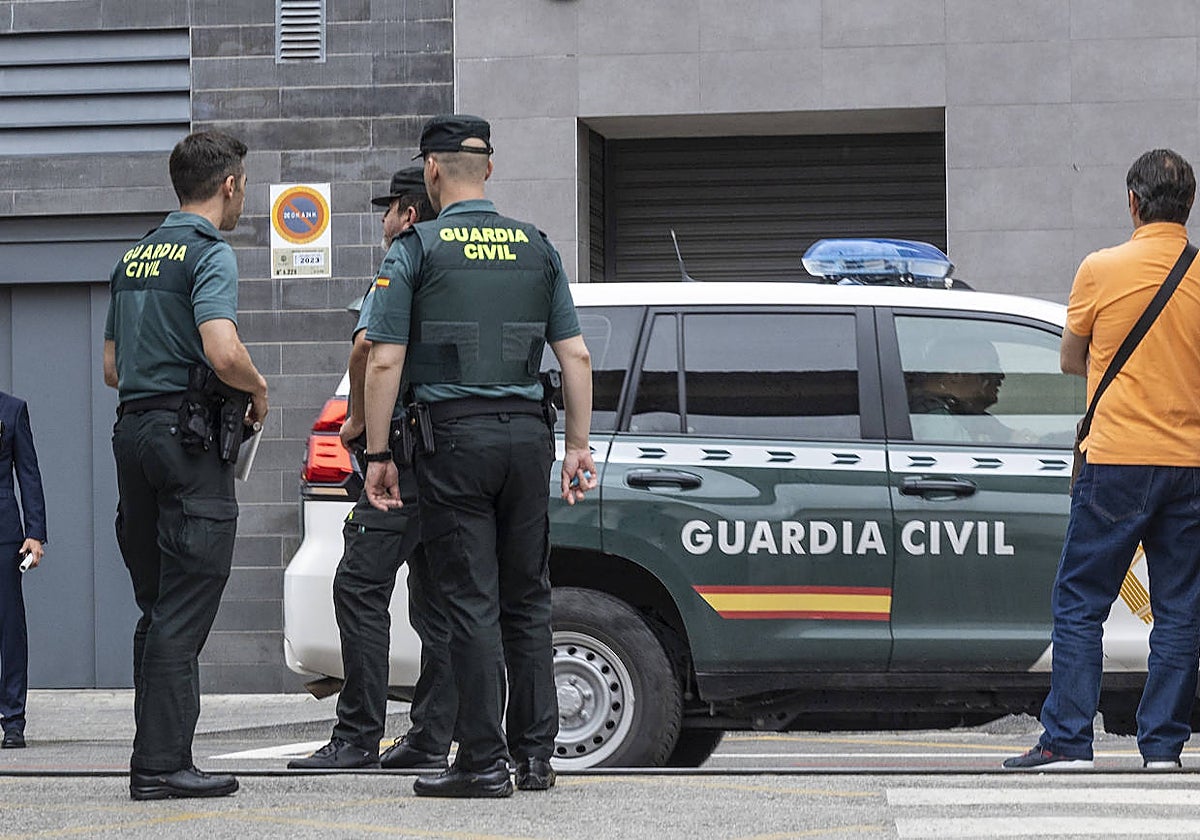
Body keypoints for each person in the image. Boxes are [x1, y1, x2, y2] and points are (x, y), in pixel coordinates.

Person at [362, 114, 597, 798]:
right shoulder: (538, 247)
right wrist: (577, 447)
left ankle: (481, 762)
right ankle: (536, 757)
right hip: (528, 439)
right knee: (529, 599)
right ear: (487, 169)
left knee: (469, 601)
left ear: (431, 171)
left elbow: (384, 360)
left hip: (453, 440)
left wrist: (379, 452)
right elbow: (575, 355)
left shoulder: (418, 249)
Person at [1004, 148, 1200, 771]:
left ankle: (1067, 740)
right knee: (1178, 607)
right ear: (1188, 206)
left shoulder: (1100, 268)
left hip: (1115, 461)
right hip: (1191, 463)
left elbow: (1069, 359)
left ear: (1133, 203)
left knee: (1082, 599)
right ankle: (1164, 747)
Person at [103, 131, 269, 799]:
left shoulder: (134, 256)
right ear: (229, 184)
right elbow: (222, 350)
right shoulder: (209, 254)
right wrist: (258, 390)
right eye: (244, 186)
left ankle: (159, 756)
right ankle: (162, 766)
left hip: (134, 434)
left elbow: (113, 369)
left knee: (158, 605)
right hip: (188, 442)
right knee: (185, 606)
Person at [288, 166, 456, 771]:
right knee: (437, 598)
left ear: (408, 214)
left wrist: (359, 421)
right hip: (455, 463)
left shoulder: (403, 265)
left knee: (359, 586)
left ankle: (357, 734)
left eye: (388, 208)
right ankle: (432, 736)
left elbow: (366, 347)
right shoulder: (462, 268)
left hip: (403, 458)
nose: (382, 220)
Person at [0, 390, 46, 750]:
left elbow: (28, 473)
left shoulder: (13, 410)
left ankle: (13, 721)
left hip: (4, 536)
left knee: (10, 629)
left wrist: (35, 533)